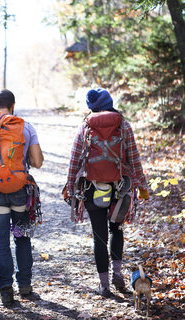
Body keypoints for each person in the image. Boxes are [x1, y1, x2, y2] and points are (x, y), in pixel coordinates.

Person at [65, 87, 150, 297]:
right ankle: (118, 273)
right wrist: (142, 186)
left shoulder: (85, 127)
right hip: (119, 189)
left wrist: (69, 187)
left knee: (99, 236)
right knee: (117, 230)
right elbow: (134, 158)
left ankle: (103, 285)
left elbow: (75, 159)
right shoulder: (123, 125)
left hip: (92, 188)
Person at [0, 89, 44, 305]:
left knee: (0, 241)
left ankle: (5, 288)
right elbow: (38, 162)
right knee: (22, 238)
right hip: (21, 192)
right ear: (13, 105)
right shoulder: (25, 127)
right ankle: (24, 285)